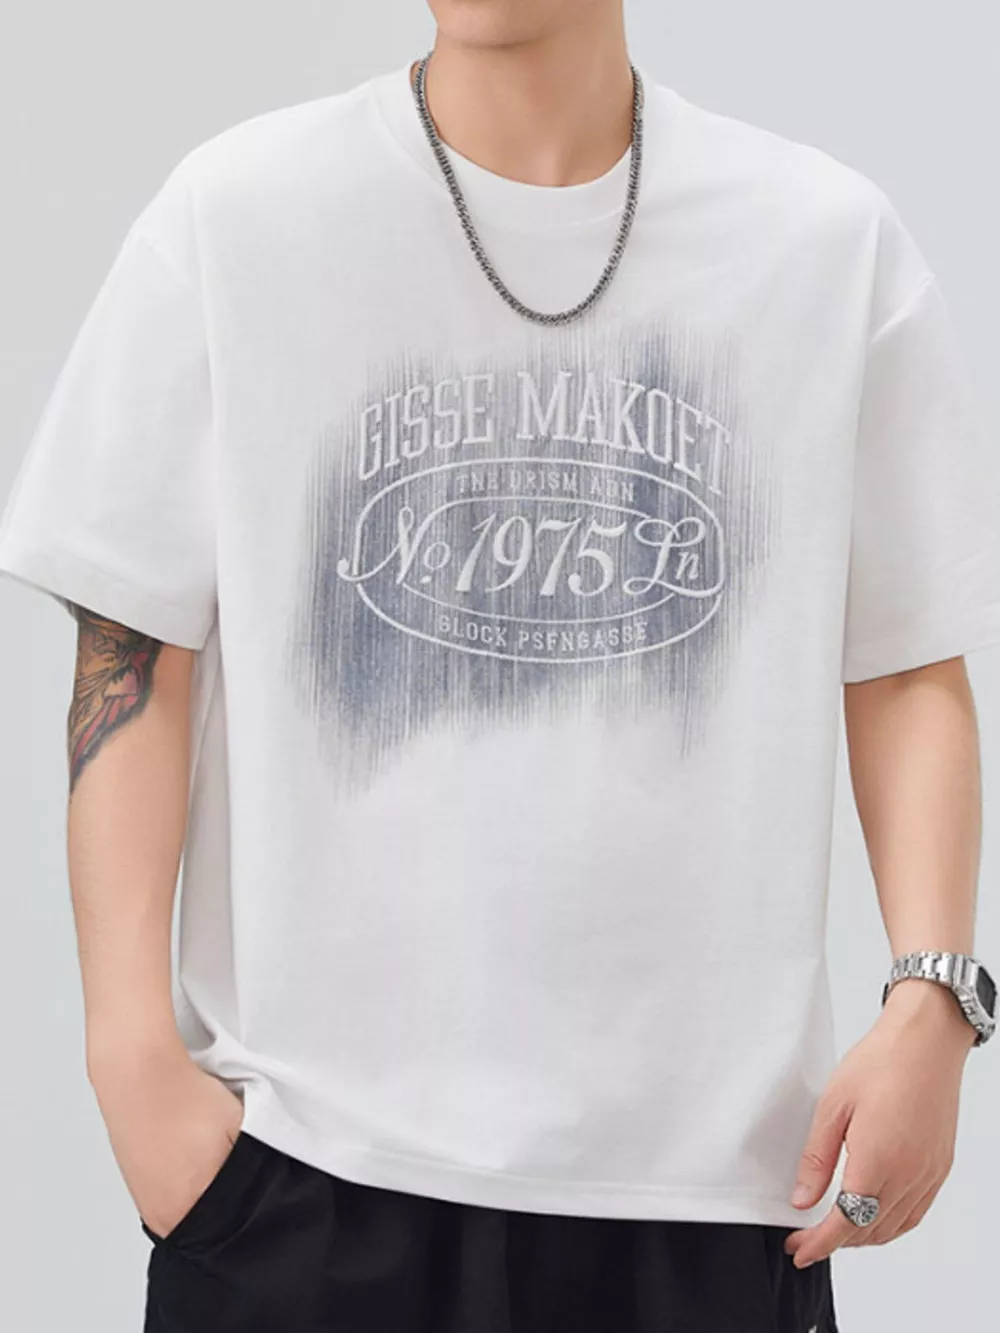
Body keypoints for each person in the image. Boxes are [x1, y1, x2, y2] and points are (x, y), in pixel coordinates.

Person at [1, 1, 998, 1329]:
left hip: (709, 1200)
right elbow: (132, 642)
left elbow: (904, 663)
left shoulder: (822, 245)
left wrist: (936, 1003)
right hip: (307, 1182)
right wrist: (131, 1063)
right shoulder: (238, 218)